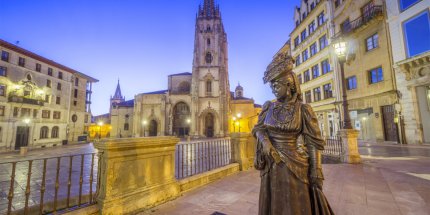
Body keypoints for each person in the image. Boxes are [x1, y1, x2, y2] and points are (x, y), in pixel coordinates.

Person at [252, 53, 334, 215]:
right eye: (272, 87)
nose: (273, 90)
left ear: (288, 84)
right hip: (271, 164)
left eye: (276, 86)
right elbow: (258, 129)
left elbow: (313, 142)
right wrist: (266, 143)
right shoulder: (268, 107)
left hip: (295, 165)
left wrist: (316, 170)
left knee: (294, 204)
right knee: (273, 202)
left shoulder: (303, 109)